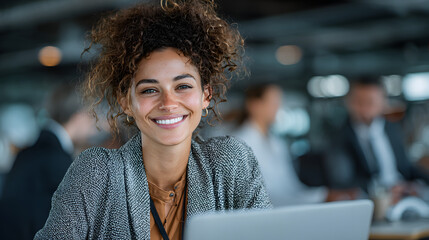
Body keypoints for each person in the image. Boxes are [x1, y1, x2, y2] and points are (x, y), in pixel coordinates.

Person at [35, 1, 271, 239]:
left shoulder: (230, 164)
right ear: (126, 101)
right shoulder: (97, 172)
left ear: (205, 95)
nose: (168, 103)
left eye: (183, 86)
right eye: (149, 90)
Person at [0, 83, 97, 239]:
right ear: (79, 116)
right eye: (92, 116)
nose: (94, 125)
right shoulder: (57, 160)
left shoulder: (31, 151)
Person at [325, 76, 429, 202]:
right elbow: (342, 180)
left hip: (404, 196)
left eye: (370, 102)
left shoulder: (392, 129)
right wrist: (386, 189)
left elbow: (405, 167)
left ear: (383, 102)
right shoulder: (339, 138)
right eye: (359, 102)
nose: (364, 109)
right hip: (371, 201)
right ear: (349, 102)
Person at [233, 83, 326, 207]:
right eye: (272, 102)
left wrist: (321, 194)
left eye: (279, 102)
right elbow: (262, 195)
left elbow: (290, 186)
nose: (277, 107)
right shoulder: (239, 142)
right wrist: (319, 196)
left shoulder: (277, 142)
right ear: (254, 105)